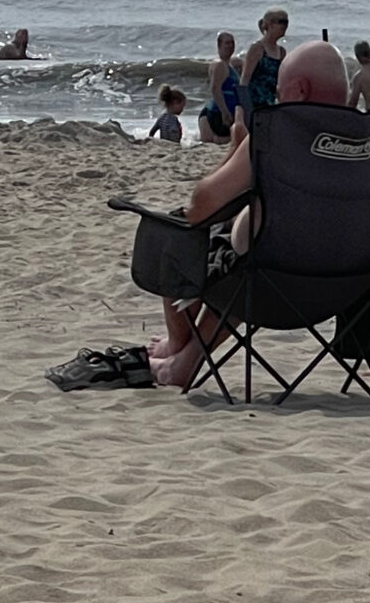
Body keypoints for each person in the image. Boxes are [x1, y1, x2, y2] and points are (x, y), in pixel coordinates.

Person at [147, 40, 348, 387]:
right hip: (348, 286)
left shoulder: (276, 134)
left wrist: (235, 152)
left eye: (280, 89)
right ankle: (183, 353)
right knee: (248, 253)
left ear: (299, 90)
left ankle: (181, 350)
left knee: (182, 233)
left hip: (268, 286)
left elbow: (202, 204)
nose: (276, 97)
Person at [239, 9, 290, 118]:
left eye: (287, 22)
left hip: (270, 105)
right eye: (281, 22)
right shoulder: (257, 48)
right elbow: (244, 81)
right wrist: (246, 110)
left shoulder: (281, 52)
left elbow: (279, 83)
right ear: (269, 24)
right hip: (254, 104)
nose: (285, 26)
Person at [199, 32, 242, 145]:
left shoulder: (228, 65)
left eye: (232, 43)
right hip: (218, 112)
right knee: (228, 140)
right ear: (219, 45)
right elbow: (215, 89)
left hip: (216, 110)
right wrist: (225, 112)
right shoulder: (220, 65)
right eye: (227, 43)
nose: (230, 46)